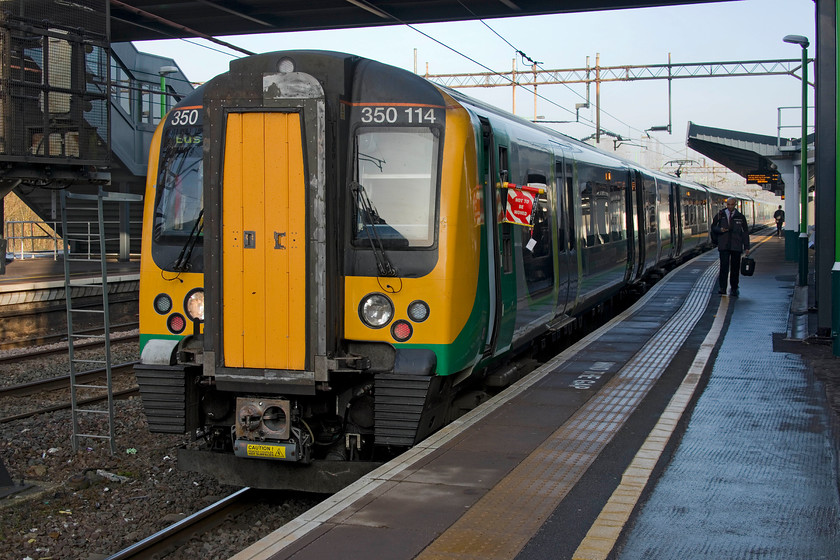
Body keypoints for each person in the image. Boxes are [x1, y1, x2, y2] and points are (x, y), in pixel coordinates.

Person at [711, 198, 750, 297]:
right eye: (728, 204)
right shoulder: (720, 215)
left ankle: (734, 288)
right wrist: (720, 229)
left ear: (735, 205)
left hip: (736, 246)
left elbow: (745, 232)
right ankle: (722, 288)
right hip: (724, 245)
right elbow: (713, 227)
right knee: (723, 267)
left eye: (732, 204)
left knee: (735, 268)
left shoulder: (740, 217)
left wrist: (747, 246)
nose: (729, 206)